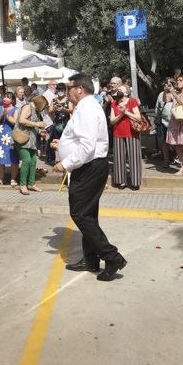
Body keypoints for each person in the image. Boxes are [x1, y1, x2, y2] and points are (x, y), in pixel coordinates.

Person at [52, 73, 126, 282]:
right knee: (88, 215)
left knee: (80, 215)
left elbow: (87, 146)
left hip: (89, 168)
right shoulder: (85, 107)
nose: (66, 92)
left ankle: (112, 257)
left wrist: (64, 164)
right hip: (87, 166)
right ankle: (90, 259)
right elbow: (82, 140)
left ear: (79, 89)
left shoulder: (87, 108)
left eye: (69, 88)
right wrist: (63, 145)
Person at [108, 85, 143, 190]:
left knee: (134, 157)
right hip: (118, 133)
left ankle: (135, 182)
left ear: (126, 93)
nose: (118, 91)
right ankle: (121, 181)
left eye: (120, 90)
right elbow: (112, 120)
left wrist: (126, 112)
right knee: (119, 158)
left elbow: (138, 117)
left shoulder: (132, 101)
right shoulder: (114, 103)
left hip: (132, 132)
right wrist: (121, 114)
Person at [14, 95, 49, 195]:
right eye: (44, 106)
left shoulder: (35, 110)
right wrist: (38, 124)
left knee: (33, 161)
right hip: (22, 139)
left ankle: (31, 183)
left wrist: (40, 131)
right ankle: (23, 185)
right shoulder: (28, 107)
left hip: (31, 140)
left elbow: (31, 125)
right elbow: (22, 120)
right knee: (27, 160)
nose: (43, 108)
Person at [0, 94, 19, 187]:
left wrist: (7, 116)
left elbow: (16, 122)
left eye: (9, 97)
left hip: (11, 137)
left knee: (13, 158)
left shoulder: (16, 109)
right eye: (5, 96)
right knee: (0, 158)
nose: (6, 98)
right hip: (0, 137)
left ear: (12, 100)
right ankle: (0, 179)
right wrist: (1, 116)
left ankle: (13, 179)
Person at [154, 79, 175, 166]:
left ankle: (179, 159)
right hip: (163, 121)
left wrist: (173, 92)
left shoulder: (177, 93)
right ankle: (166, 160)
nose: (167, 87)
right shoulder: (161, 94)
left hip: (175, 121)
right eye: (165, 85)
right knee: (164, 141)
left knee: (177, 141)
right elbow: (158, 106)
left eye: (169, 85)